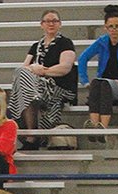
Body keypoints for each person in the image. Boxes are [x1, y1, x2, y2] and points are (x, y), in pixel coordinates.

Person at [8, 9, 77, 149]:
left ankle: (32, 137)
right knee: (20, 74)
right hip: (37, 86)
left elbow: (65, 67)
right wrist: (34, 71)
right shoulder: (35, 46)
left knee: (25, 88)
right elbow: (24, 68)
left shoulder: (65, 43)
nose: (51, 24)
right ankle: (32, 133)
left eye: (54, 21)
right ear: (42, 24)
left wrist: (43, 71)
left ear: (60, 24)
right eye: (47, 21)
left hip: (58, 87)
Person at [78, 4, 118, 140]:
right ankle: (95, 125)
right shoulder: (102, 42)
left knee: (104, 84)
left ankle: (102, 127)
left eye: (117, 26)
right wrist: (84, 80)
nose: (114, 30)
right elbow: (82, 58)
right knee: (98, 83)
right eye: (111, 27)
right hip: (105, 85)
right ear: (105, 27)